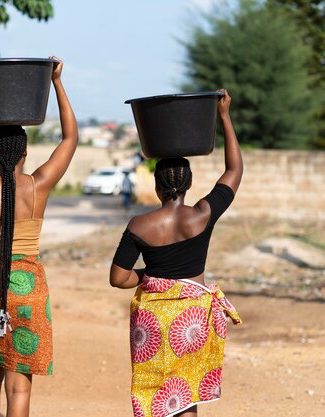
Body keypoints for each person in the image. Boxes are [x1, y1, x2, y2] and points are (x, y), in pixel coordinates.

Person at [0, 56, 78, 417]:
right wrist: (56, 82)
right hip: (29, 290)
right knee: (18, 385)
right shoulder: (39, 186)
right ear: (25, 151)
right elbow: (71, 137)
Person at [109, 89, 242, 417]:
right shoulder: (202, 216)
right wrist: (224, 116)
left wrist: (151, 277)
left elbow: (118, 278)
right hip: (192, 321)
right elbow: (234, 172)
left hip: (153, 320)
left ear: (156, 185)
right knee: (185, 396)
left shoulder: (139, 225)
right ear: (189, 183)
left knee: (155, 395)